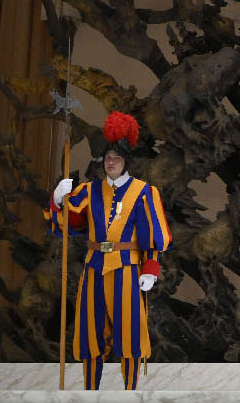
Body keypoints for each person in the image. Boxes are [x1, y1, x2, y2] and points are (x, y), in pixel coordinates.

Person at [49, 111, 170, 390]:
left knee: (128, 333)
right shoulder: (89, 191)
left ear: (126, 161)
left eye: (115, 158)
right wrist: (58, 200)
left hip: (127, 268)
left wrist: (151, 270)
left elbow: (151, 237)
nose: (110, 162)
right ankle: (91, 391)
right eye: (107, 158)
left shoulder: (143, 192)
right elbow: (69, 225)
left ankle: (130, 391)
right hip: (93, 268)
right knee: (91, 332)